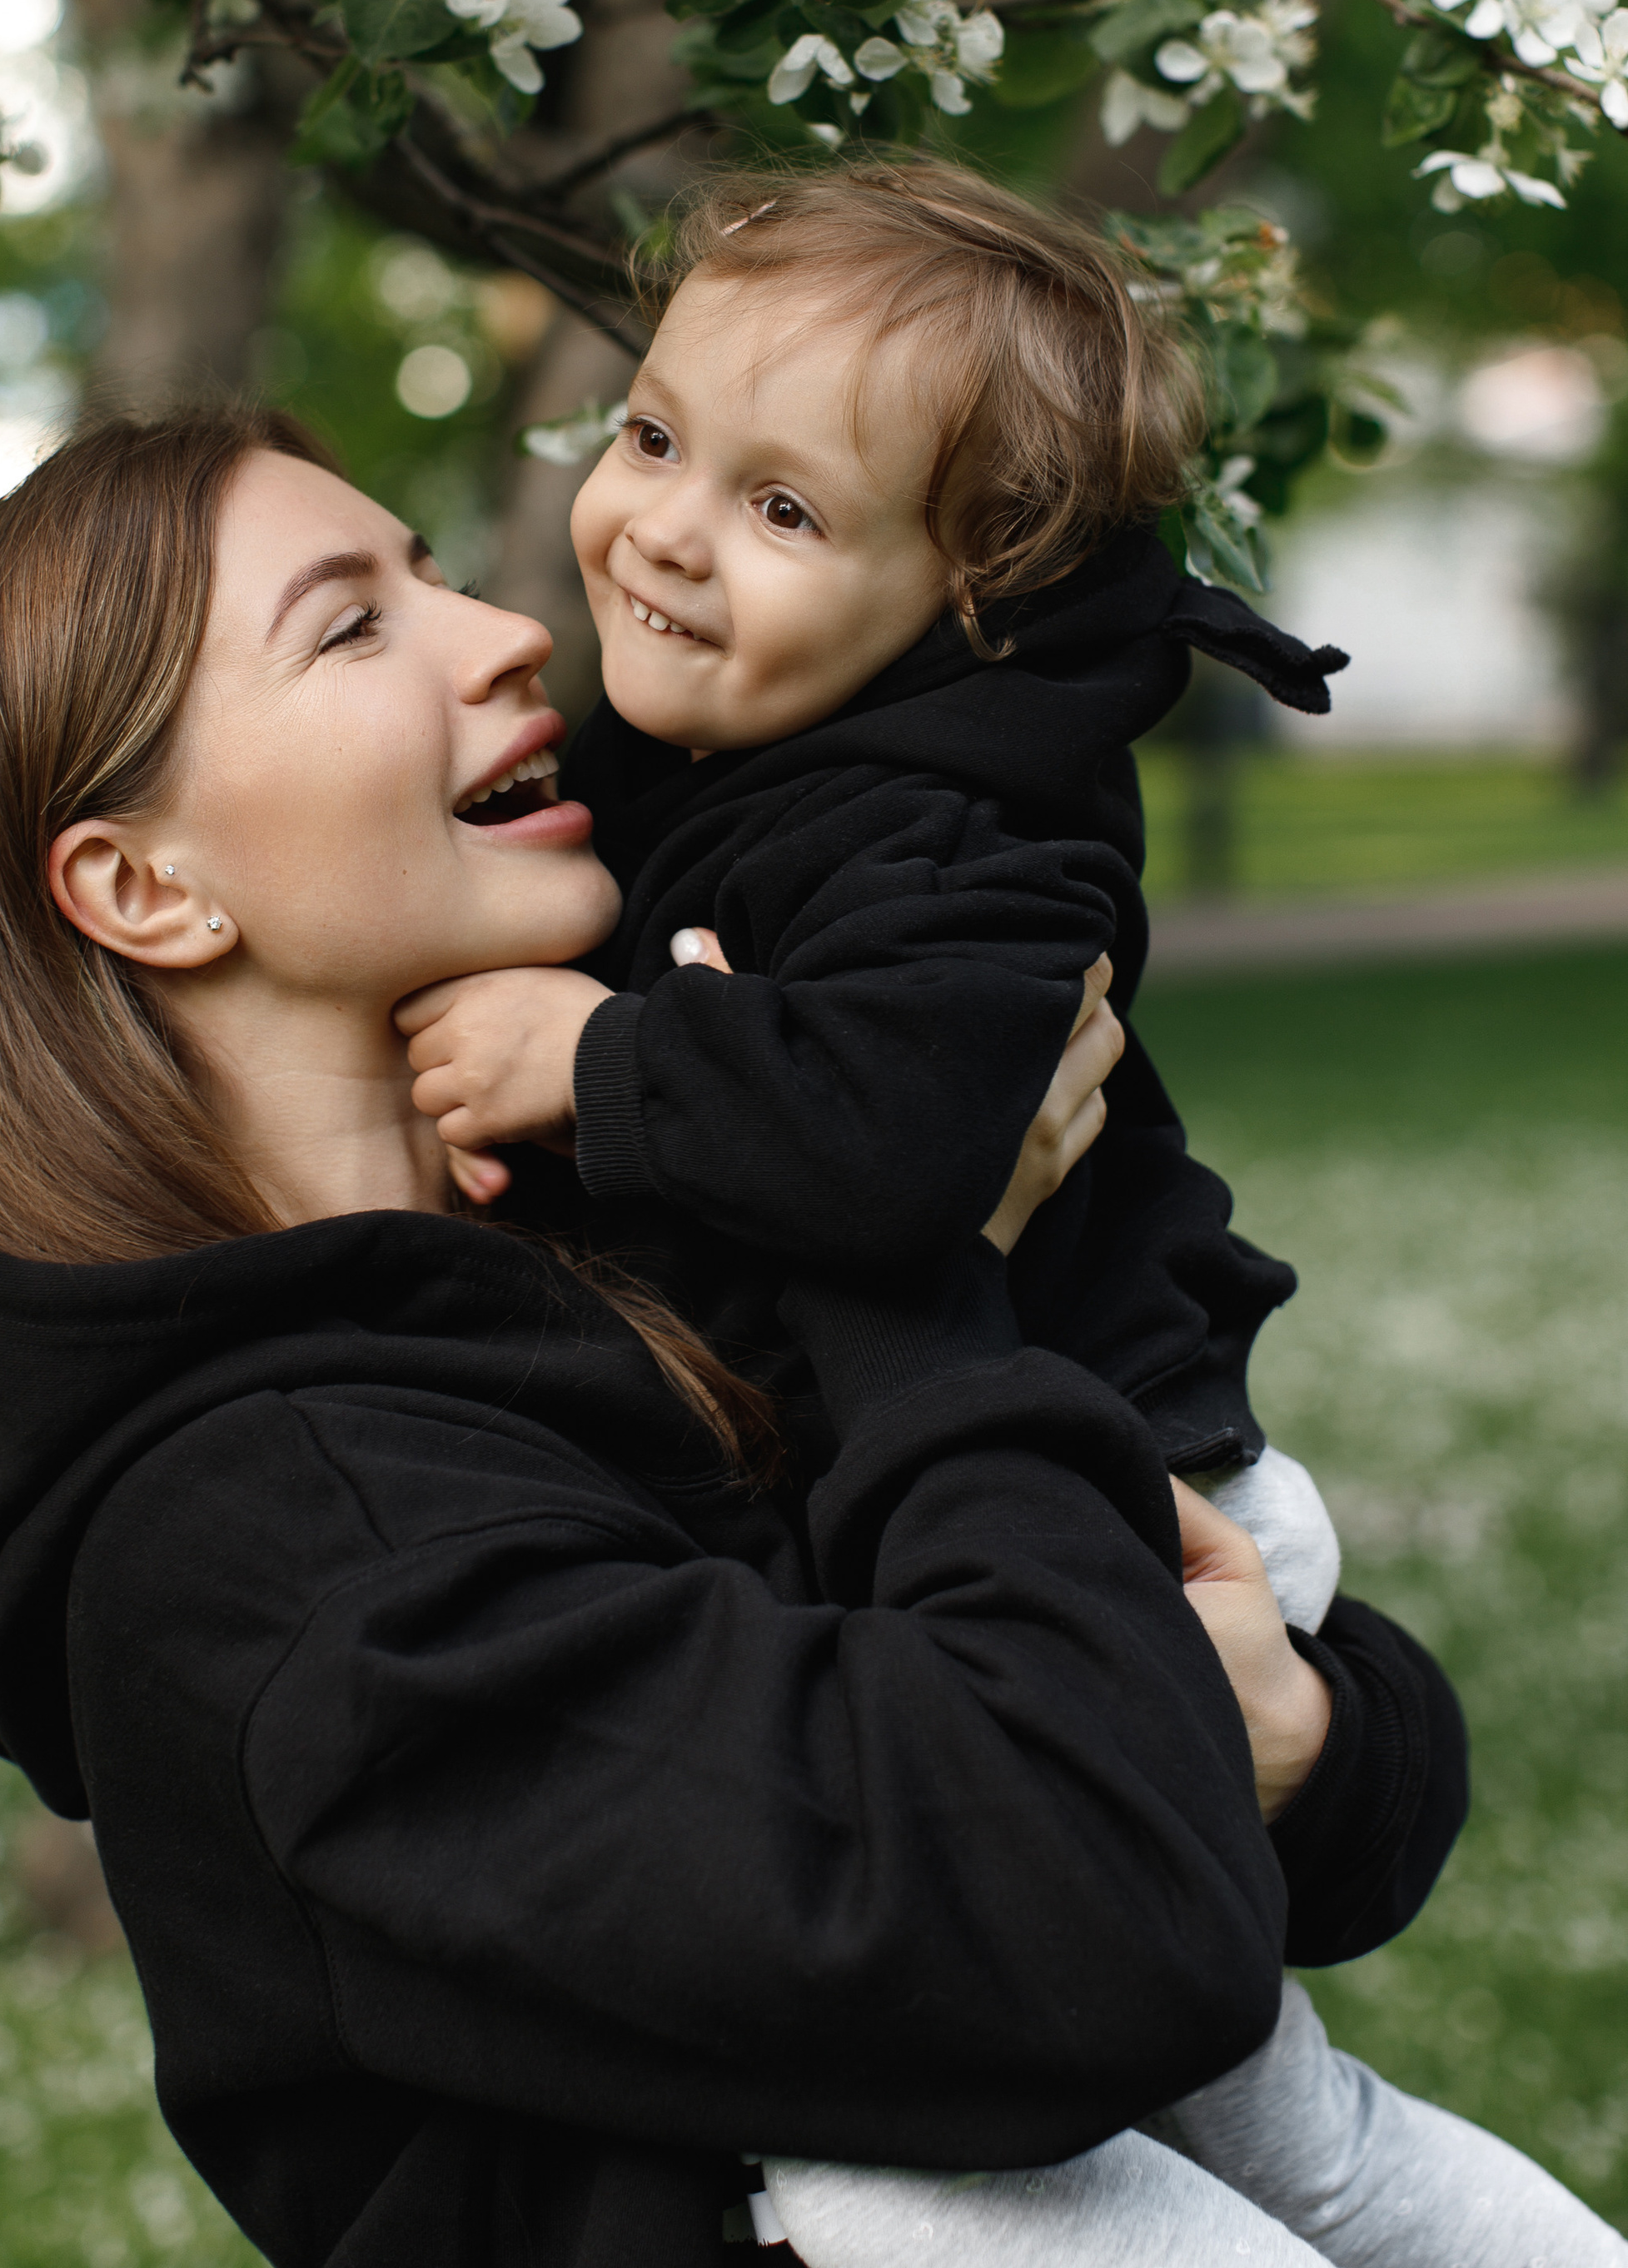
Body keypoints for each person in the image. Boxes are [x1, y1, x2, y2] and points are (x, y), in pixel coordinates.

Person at [0, 410, 1470, 2268]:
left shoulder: (602, 1213)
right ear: (143, 886)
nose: (505, 632)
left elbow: (1318, 1756)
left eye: (435, 570)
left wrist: (1301, 1741)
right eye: (349, 627)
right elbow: (1098, 1936)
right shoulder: (291, 1545)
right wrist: (911, 1267)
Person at [394, 162, 1625, 2263]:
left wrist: (587, 1068)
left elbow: (905, 1142)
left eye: (785, 511)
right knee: (1276, 2131)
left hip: (1116, 1522)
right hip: (1044, 1506)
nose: (666, 528)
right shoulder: (736, 761)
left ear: (970, 597)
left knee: (967, 2129)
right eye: (655, 436)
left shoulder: (949, 823)